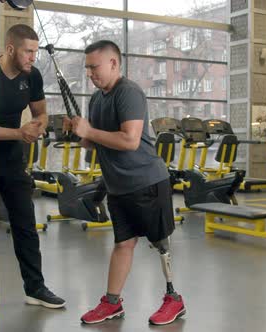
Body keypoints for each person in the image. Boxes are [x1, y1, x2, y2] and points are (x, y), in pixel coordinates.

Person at [65, 40, 185, 325]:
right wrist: (77, 133)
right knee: (123, 244)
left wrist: (90, 130)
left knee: (160, 243)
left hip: (147, 181)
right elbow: (95, 143)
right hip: (118, 186)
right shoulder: (97, 99)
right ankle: (112, 302)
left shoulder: (128, 92)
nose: (90, 74)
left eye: (95, 67)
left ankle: (175, 299)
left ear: (114, 64)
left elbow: (130, 140)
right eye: (87, 68)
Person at [0, 24, 65, 309]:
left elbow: (41, 112)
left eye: (35, 51)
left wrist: (37, 126)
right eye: (28, 51)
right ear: (10, 49)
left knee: (25, 221)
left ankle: (35, 288)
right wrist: (20, 133)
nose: (34, 57)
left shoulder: (31, 76)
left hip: (10, 155)